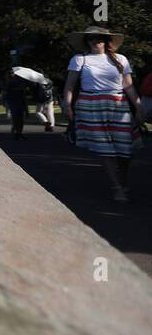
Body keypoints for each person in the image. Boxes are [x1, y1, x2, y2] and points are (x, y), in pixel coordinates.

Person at [62, 26, 145, 203]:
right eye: (91, 38)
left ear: (107, 41)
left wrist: (138, 107)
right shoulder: (80, 59)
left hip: (118, 104)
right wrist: (67, 105)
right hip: (90, 105)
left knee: (126, 150)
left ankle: (122, 180)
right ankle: (117, 187)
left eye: (99, 37)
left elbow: (128, 86)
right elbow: (69, 85)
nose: (95, 40)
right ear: (86, 41)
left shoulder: (120, 59)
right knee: (105, 149)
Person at [10, 66, 55, 131]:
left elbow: (31, 89)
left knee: (38, 112)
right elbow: (51, 89)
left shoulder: (35, 82)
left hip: (41, 99)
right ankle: (51, 126)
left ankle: (45, 122)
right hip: (50, 98)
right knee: (50, 112)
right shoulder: (48, 80)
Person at [2, 70, 30, 139]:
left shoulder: (21, 81)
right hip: (13, 101)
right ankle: (18, 132)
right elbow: (6, 92)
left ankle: (19, 132)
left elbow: (23, 93)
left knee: (20, 118)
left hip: (19, 100)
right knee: (16, 117)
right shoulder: (10, 82)